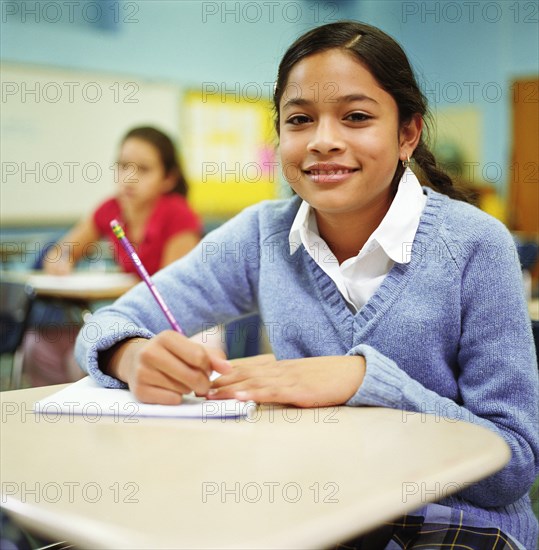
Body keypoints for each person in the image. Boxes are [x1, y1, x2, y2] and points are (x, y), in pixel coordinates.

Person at [75, 22, 539, 549]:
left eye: (357, 117)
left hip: (451, 527)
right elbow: (108, 322)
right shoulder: (261, 235)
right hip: (311, 516)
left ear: (407, 133)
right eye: (299, 119)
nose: (323, 141)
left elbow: (514, 463)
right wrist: (130, 356)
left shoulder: (476, 245)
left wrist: (362, 380)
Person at [25, 126, 203, 386]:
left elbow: (171, 289)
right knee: (37, 346)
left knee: (86, 365)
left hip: (172, 319)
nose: (128, 178)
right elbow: (59, 252)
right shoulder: (111, 209)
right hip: (128, 313)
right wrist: (62, 261)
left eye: (143, 170)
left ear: (168, 178)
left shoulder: (179, 215)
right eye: (122, 166)